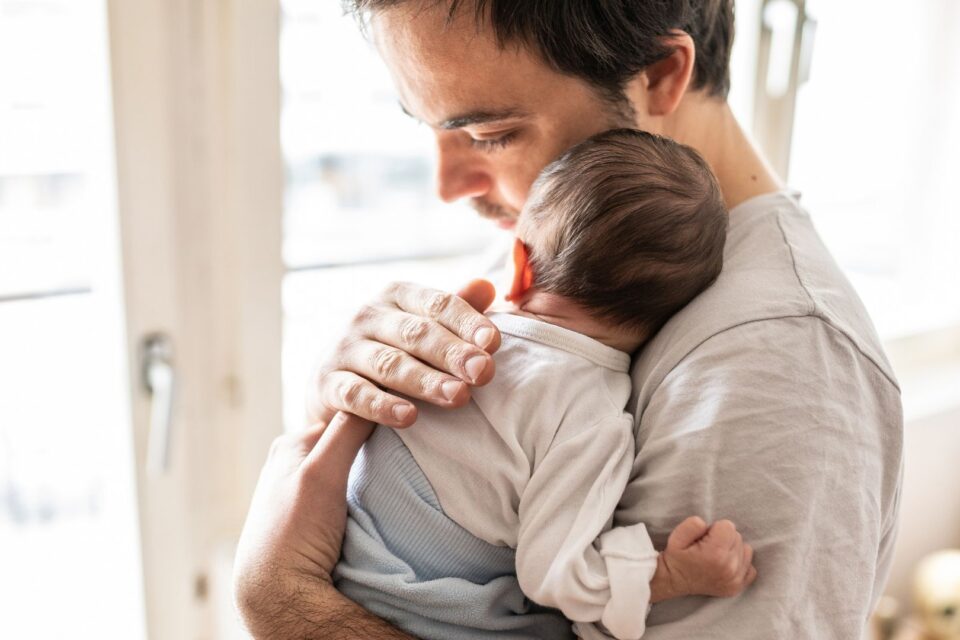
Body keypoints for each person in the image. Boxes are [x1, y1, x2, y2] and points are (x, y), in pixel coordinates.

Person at [233, 1, 904, 638]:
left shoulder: (775, 362)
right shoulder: (572, 240)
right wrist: (345, 418)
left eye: (491, 133)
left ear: (661, 76)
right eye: (430, 127)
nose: (447, 185)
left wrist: (285, 606)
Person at [335, 128, 755, 640]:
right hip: (430, 611)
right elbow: (555, 575)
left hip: (345, 567)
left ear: (518, 266)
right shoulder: (589, 417)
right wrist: (667, 575)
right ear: (666, 321)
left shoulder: (453, 333)